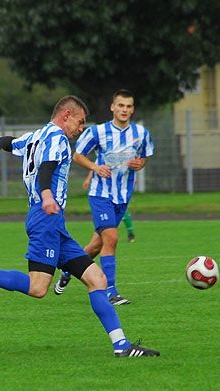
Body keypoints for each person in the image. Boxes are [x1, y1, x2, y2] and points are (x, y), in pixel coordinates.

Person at [0, 95, 159, 357]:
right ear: (66, 115)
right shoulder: (57, 138)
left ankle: (121, 345)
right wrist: (46, 194)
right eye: (80, 122)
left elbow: (12, 143)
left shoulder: (35, 136)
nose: (81, 128)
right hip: (45, 216)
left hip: (53, 222)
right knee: (38, 288)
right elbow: (46, 168)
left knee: (97, 279)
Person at [54, 90, 153, 305]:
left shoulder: (141, 133)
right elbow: (78, 155)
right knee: (112, 238)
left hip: (123, 196)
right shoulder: (98, 132)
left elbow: (144, 156)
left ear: (133, 109)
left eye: (128, 106)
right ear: (112, 107)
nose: (124, 110)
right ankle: (111, 291)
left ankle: (68, 269)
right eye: (121, 105)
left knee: (96, 246)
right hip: (101, 194)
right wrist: (95, 167)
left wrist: (140, 164)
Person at [82, 170, 136, 242]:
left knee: (123, 212)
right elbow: (95, 167)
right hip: (106, 190)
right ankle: (105, 233)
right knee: (108, 216)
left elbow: (133, 167)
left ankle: (130, 232)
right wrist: (88, 179)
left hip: (121, 188)